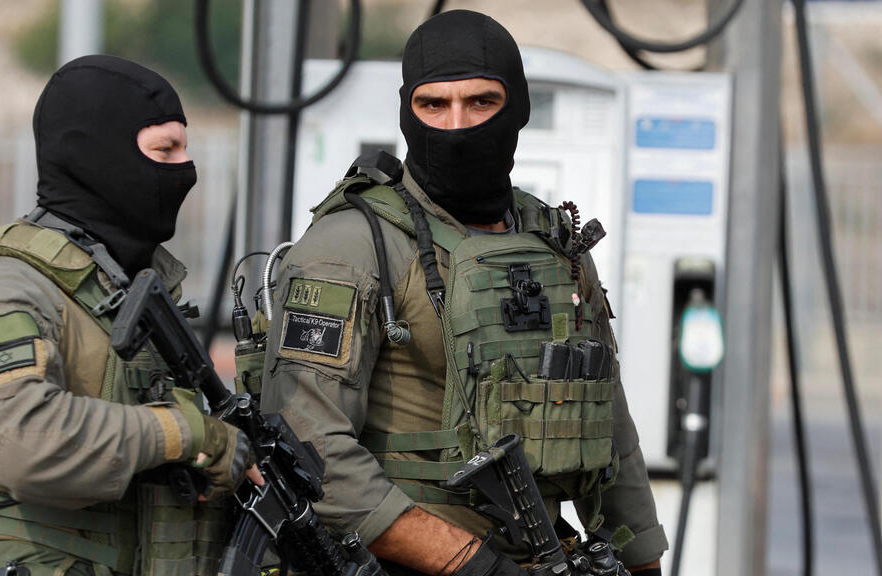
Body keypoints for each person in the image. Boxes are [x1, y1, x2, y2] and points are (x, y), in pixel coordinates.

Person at [261, 10, 667, 576]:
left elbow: (608, 423)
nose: (456, 126)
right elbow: (307, 449)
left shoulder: (552, 238)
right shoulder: (351, 246)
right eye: (433, 105)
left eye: (481, 102)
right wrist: (470, 563)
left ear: (518, 108)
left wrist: (642, 559)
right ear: (407, 112)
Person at [0, 55, 261, 575]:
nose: (185, 170)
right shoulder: (6, 290)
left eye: (185, 148)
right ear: (96, 157)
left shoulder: (128, 288)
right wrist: (188, 434)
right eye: (165, 151)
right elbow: (20, 442)